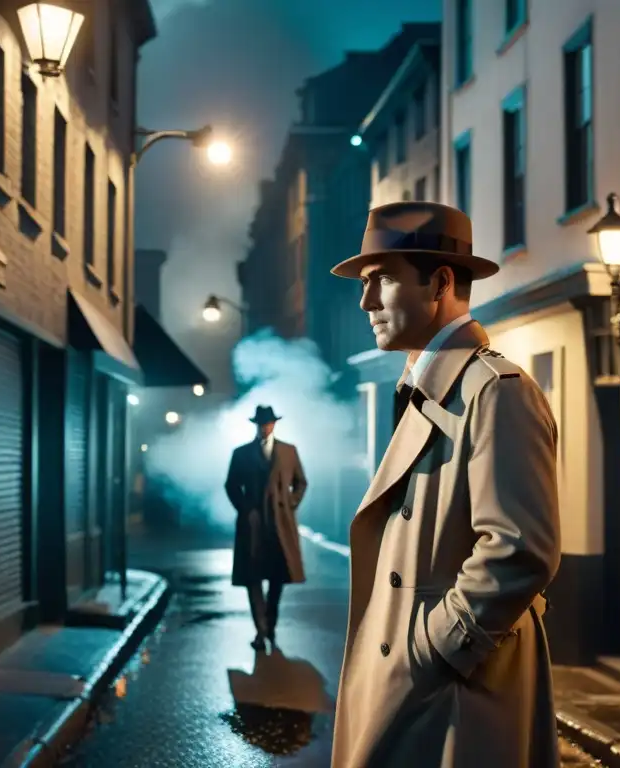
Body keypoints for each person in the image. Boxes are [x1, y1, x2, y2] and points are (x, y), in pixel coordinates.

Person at [328, 201, 562, 768]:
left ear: (439, 282)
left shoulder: (495, 390)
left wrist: (432, 649)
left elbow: (519, 550)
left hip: (453, 694)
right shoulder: (431, 387)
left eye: (381, 280)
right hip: (424, 686)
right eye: (365, 283)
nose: (366, 302)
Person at [224, 405, 308, 651]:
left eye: (268, 423)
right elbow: (230, 485)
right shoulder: (241, 454)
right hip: (253, 525)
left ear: (274, 424)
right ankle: (260, 631)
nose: (265, 427)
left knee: (277, 577)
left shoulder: (288, 451)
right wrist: (244, 509)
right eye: (261, 423)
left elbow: (301, 482)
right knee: (253, 578)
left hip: (280, 524)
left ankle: (270, 625)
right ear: (256, 426)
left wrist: (289, 504)